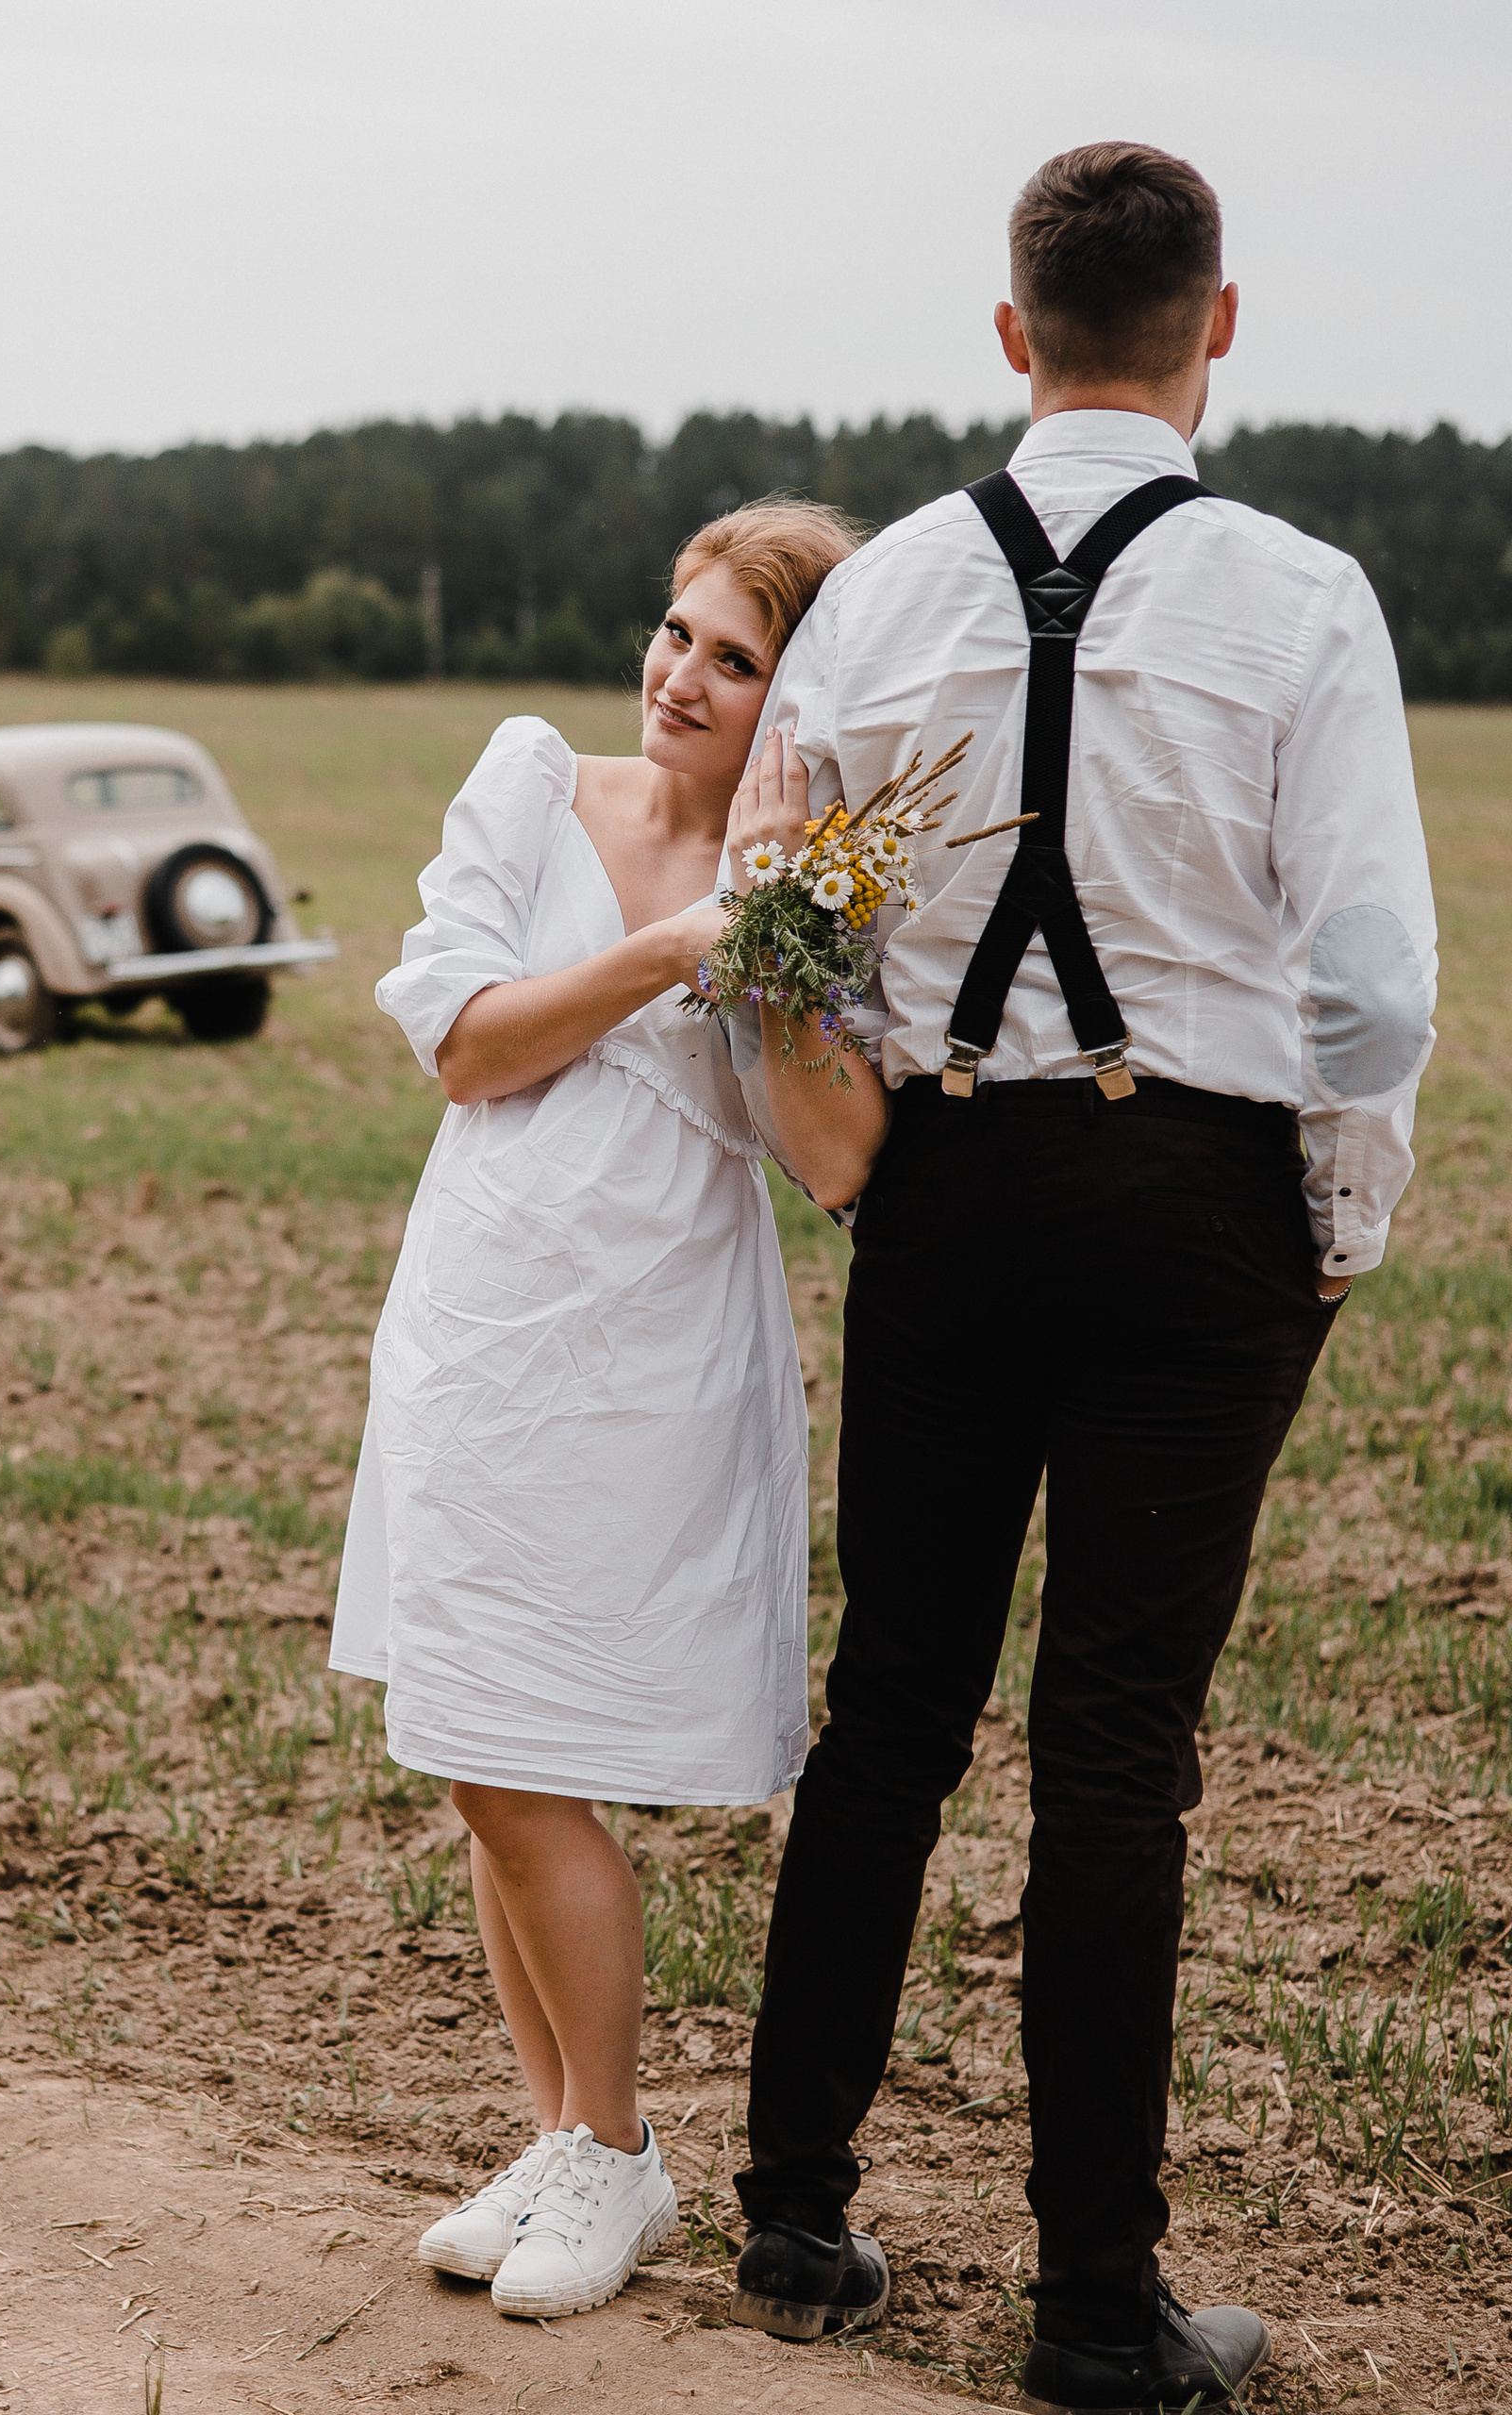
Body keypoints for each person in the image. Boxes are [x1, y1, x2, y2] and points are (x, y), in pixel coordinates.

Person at [723, 143, 1437, 2413]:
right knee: (1116, 1745)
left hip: (939, 1181)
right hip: (1196, 1204)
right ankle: (1092, 2305)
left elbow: (777, 935)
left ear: (1008, 329)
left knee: (895, 1700)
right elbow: (1372, 990)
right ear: (1213, 324)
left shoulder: (882, 591)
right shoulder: (1297, 594)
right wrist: (1329, 1236)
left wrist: (862, 1158)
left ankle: (791, 2204)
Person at [330, 501, 871, 2323]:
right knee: (482, 1744)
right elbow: (468, 1042)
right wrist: (677, 942)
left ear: (799, 699)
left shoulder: (825, 893)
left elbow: (844, 1161)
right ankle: (569, 2137)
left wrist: (777, 936)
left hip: (650, 1350)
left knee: (529, 1749)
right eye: (675, 632)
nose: (679, 677)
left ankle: (618, 2152)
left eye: (735, 658)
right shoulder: (535, 785)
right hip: (482, 1322)